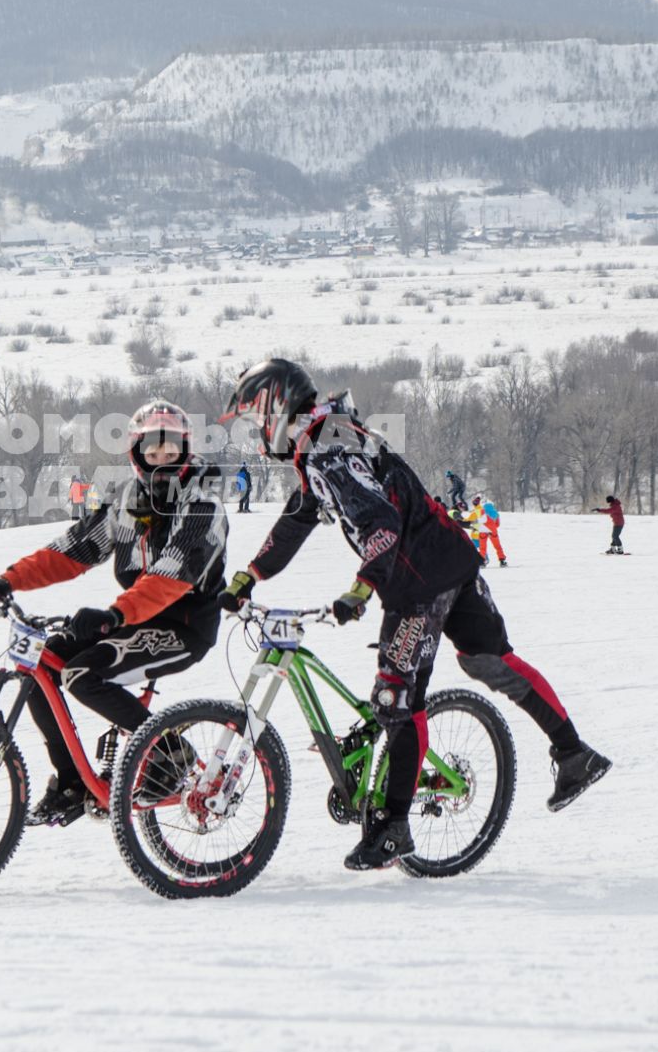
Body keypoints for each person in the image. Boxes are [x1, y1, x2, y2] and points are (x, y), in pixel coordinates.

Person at [217, 358, 611, 871]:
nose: (257, 436)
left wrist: (361, 588)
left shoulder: (328, 450)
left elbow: (380, 521)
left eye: (255, 422)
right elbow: (298, 519)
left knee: (395, 700)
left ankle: (393, 827)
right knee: (489, 661)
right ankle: (574, 751)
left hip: (418, 585)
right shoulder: (329, 438)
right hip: (452, 559)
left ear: (276, 407)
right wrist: (251, 573)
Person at [0, 399, 229, 827]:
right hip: (133, 619)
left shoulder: (202, 505)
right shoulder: (127, 503)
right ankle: (72, 782)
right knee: (44, 661)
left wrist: (113, 615)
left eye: (171, 451)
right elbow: (72, 551)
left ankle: (171, 754)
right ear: (137, 454)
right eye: (152, 451)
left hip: (184, 626)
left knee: (82, 673)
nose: (161, 459)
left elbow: (171, 576)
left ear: (185, 451)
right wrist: (9, 579)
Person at [470, 492, 508, 567]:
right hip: (493, 530)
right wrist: (493, 527)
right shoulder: (495, 513)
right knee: (497, 546)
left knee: (482, 547)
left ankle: (482, 562)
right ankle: (502, 561)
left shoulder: (481, 511)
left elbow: (476, 521)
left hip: (483, 530)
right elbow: (497, 524)